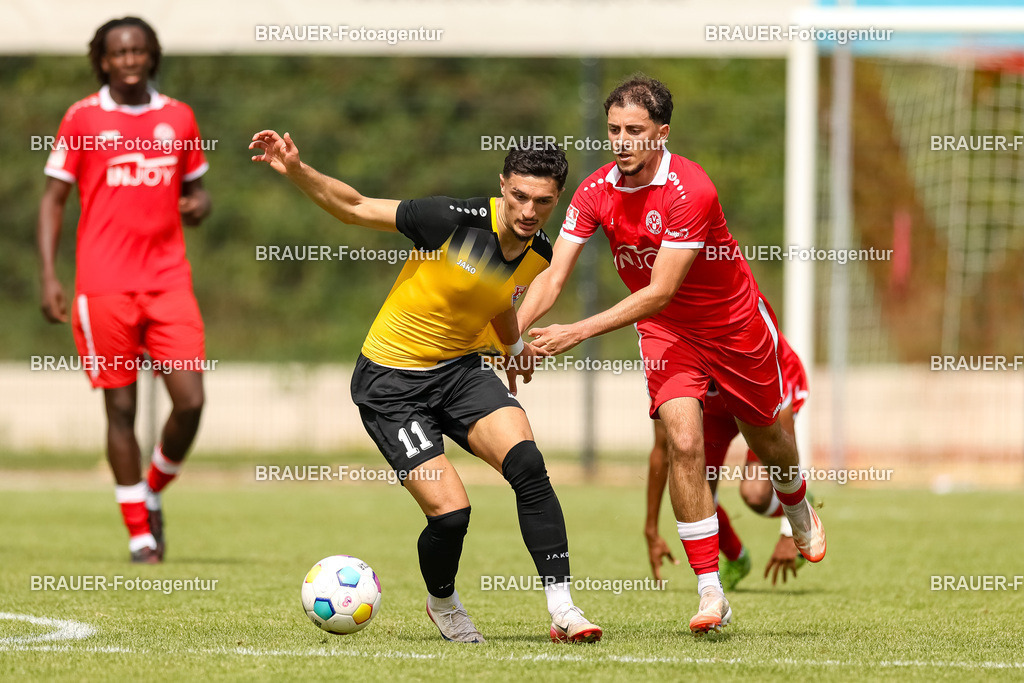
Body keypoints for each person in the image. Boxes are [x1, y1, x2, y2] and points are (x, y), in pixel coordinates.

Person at [249, 130, 601, 644]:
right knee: (452, 514)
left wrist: (514, 347)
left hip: (458, 372)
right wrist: (299, 171)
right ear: (502, 185)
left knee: (528, 465)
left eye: (542, 202)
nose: (528, 210)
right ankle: (443, 603)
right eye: (519, 196)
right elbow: (355, 206)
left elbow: (499, 296)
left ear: (556, 200)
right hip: (391, 384)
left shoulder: (538, 251)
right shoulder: (449, 220)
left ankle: (564, 609)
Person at [516, 74, 826, 634]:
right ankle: (712, 594)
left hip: (732, 326)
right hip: (666, 333)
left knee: (768, 439)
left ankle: (798, 507)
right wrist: (510, 334)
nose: (622, 141)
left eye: (634, 130)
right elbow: (553, 275)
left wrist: (576, 334)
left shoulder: (691, 189)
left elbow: (661, 287)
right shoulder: (593, 192)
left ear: (661, 134)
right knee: (682, 440)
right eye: (614, 130)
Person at [38, 17, 211, 564]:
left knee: (191, 401)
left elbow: (197, 191)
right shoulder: (82, 117)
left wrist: (200, 206)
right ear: (103, 60)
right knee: (121, 408)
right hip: (104, 285)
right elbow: (52, 200)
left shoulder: (179, 117)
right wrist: (49, 274)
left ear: (151, 55)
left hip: (168, 282)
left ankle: (152, 487)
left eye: (138, 50)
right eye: (119, 52)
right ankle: (140, 533)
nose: (130, 60)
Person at [646, 334, 811, 590]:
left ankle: (803, 503)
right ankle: (736, 558)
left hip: (757, 386)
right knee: (697, 496)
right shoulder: (667, 353)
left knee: (755, 495)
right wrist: (651, 529)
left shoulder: (755, 342)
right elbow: (661, 450)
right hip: (712, 406)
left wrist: (791, 530)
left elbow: (783, 447)